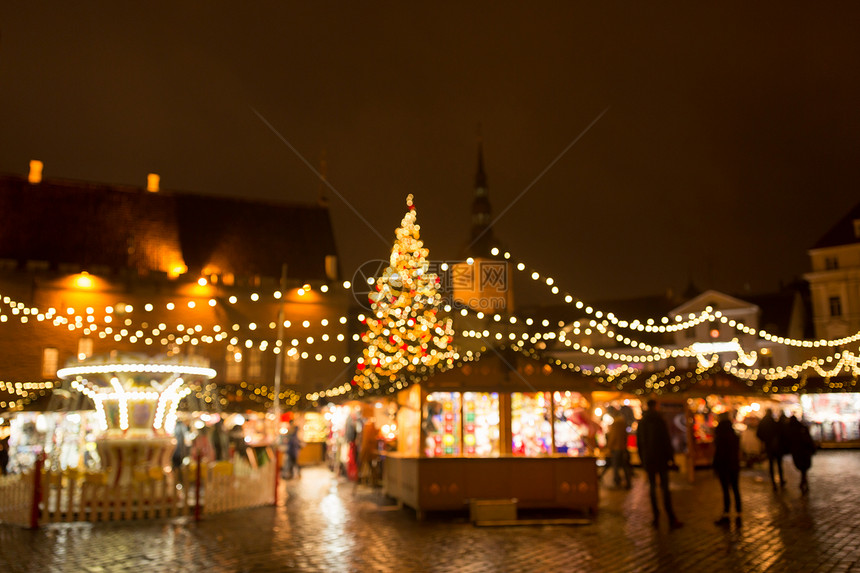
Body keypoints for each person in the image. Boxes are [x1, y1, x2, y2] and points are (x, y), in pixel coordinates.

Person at [637, 399, 682, 529]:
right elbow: (666, 440)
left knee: (652, 488)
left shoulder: (643, 422)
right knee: (665, 489)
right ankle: (670, 516)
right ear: (655, 406)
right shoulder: (659, 420)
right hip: (661, 459)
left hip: (649, 459)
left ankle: (655, 516)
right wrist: (671, 458)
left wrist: (642, 459)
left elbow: (640, 443)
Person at [712, 412, 741, 525]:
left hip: (724, 466)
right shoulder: (734, 434)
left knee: (726, 490)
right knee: (735, 489)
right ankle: (739, 512)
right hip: (734, 465)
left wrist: (715, 466)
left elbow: (718, 453)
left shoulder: (720, 434)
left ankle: (726, 513)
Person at [756, 409, 785, 489]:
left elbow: (758, 434)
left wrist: (765, 440)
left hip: (769, 446)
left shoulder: (764, 422)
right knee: (779, 464)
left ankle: (774, 482)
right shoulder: (774, 422)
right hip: (776, 446)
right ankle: (781, 480)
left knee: (771, 464)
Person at [602, 413, 632, 489]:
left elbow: (613, 437)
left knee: (615, 467)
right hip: (623, 448)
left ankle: (617, 482)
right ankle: (628, 482)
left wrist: (609, 447)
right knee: (625, 466)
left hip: (616, 449)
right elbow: (625, 437)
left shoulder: (615, 424)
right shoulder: (623, 424)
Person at [787, 415, 815, 494]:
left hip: (798, 451)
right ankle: (804, 482)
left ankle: (803, 482)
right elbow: (809, 439)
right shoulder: (802, 428)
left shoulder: (791, 430)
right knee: (804, 468)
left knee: (802, 468)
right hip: (805, 451)